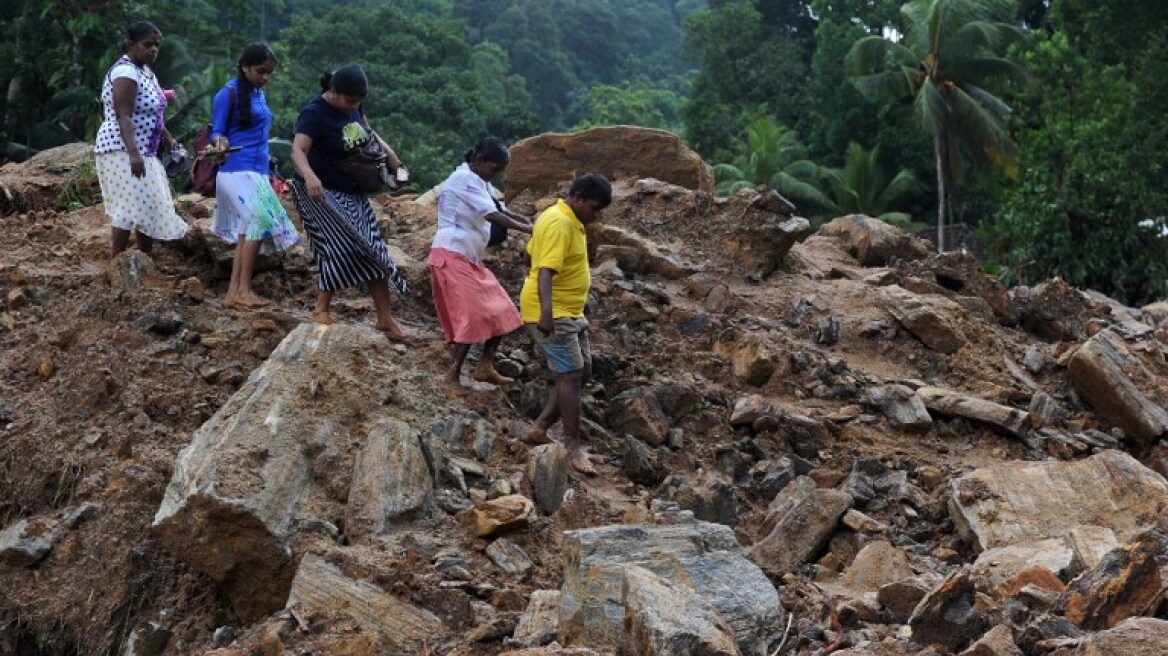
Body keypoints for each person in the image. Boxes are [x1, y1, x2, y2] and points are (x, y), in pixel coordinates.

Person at [288, 65, 410, 337]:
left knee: (374, 249)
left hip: (353, 192)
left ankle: (385, 318)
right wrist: (310, 177)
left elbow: (369, 134)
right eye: (349, 101)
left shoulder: (354, 107)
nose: (353, 106)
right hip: (320, 192)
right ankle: (321, 308)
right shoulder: (314, 113)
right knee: (340, 245)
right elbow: (297, 150)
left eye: (358, 102)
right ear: (333, 92)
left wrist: (393, 160)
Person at [520, 173, 612, 474]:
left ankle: (540, 427)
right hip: (554, 312)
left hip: (569, 310)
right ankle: (573, 449)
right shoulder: (560, 223)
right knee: (571, 376)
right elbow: (545, 270)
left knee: (581, 371)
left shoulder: (561, 216)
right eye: (594, 208)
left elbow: (530, 253)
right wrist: (546, 312)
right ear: (578, 199)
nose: (596, 216)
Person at [428, 137, 534, 392]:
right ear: (478, 161)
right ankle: (452, 377)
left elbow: (501, 208)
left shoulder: (478, 180)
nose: (495, 174)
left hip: (469, 258)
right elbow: (491, 214)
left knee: (504, 311)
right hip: (451, 254)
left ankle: (484, 366)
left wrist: (531, 221)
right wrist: (528, 229)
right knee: (473, 317)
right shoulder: (463, 179)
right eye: (494, 168)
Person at [203, 43, 301, 310]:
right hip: (235, 170)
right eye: (260, 71)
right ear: (245, 66)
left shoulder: (258, 94)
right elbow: (218, 130)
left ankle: (234, 292)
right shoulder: (228, 93)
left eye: (268, 73)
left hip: (257, 171)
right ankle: (243, 290)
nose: (265, 77)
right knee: (257, 222)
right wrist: (220, 143)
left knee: (249, 230)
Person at [94, 21, 188, 258]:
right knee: (129, 206)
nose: (153, 49)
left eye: (157, 45)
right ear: (131, 45)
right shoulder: (125, 72)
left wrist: (169, 140)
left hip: (144, 149)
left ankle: (143, 262)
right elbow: (123, 114)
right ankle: (117, 263)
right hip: (121, 149)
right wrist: (133, 153)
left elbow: (154, 112)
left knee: (148, 205)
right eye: (148, 44)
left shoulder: (145, 72)